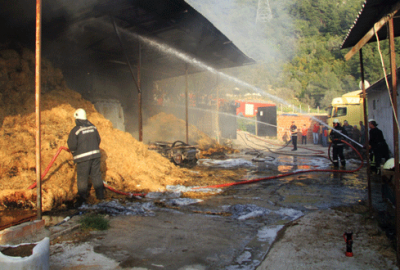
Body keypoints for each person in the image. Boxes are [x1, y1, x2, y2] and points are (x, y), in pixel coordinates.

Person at [68, 108, 104, 205]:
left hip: (83, 158)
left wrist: (74, 152)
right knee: (96, 176)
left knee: (82, 178)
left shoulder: (76, 130)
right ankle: (101, 197)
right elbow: (98, 139)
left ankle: (82, 200)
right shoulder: (93, 127)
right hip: (95, 155)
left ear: (77, 119)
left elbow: (72, 145)